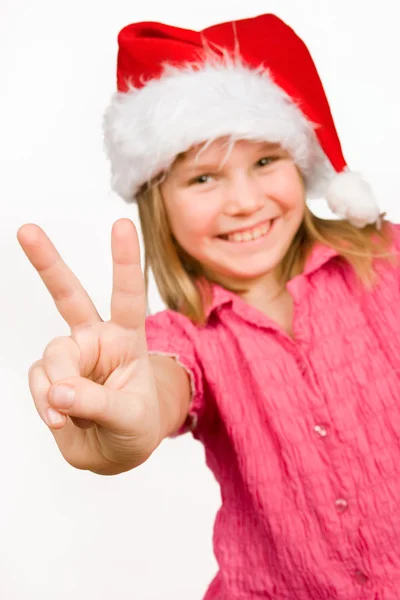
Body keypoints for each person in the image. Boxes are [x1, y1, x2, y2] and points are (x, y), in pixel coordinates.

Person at [16, 12, 400, 599]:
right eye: (203, 179)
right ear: (159, 199)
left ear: (301, 164)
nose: (245, 202)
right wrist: (133, 415)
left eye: (266, 162)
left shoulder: (388, 260)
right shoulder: (181, 340)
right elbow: (161, 386)